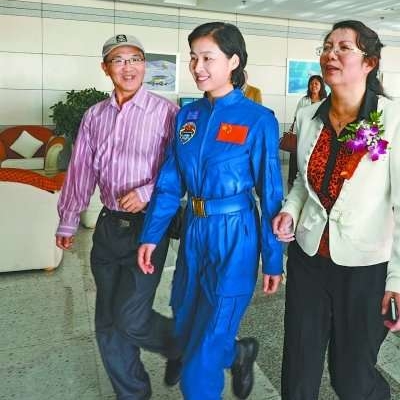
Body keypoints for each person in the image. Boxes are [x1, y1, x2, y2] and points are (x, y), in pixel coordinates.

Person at [137, 21, 284, 400]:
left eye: (208, 58)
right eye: (193, 58)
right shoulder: (187, 117)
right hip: (194, 231)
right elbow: (170, 183)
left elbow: (270, 193)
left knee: (202, 354)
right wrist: (151, 235)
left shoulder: (258, 119)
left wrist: (273, 258)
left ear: (233, 61)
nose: (197, 67)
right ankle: (238, 354)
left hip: (235, 234)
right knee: (185, 319)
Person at [273, 20, 400, 400]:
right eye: (327, 47)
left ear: (369, 62)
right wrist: (290, 211)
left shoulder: (392, 119)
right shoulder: (310, 116)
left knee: (352, 378)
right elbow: (302, 181)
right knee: (299, 368)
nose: (331, 54)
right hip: (309, 258)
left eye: (344, 47)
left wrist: (396, 282)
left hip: (366, 267)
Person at [55, 34, 180, 400]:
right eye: (119, 60)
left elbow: (181, 168)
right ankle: (133, 393)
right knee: (108, 323)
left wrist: (147, 192)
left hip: (149, 229)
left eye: (135, 59)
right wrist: (68, 218)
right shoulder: (94, 115)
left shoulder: (167, 113)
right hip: (109, 226)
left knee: (131, 316)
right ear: (105, 68)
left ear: (145, 65)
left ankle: (182, 346)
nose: (129, 67)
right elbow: (81, 170)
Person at [287, 75, 327, 187]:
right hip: (302, 132)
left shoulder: (325, 101)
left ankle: (310, 180)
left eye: (316, 83)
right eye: (311, 83)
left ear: (321, 86)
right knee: (296, 155)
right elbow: (297, 117)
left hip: (317, 134)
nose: (313, 86)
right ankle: (292, 179)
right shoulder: (304, 100)